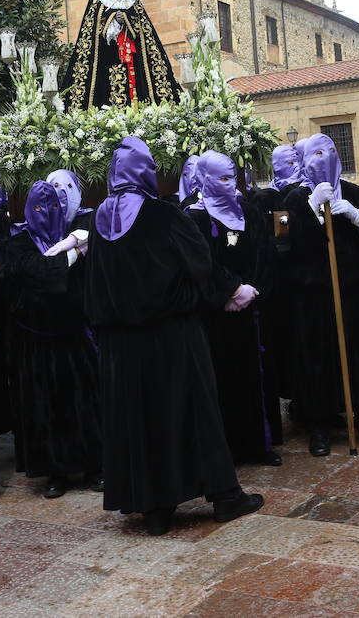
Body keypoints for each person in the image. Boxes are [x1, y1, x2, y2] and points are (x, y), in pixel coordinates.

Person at [84, 136, 263, 535]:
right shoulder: (164, 215)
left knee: (141, 419)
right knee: (194, 410)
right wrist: (233, 290)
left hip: (121, 347)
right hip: (171, 336)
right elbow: (200, 264)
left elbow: (92, 286)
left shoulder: (97, 221)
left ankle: (155, 508)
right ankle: (224, 497)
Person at [286, 133, 359, 455]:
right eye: (317, 153)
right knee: (319, 357)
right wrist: (312, 210)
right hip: (315, 295)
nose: (326, 157)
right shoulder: (294, 199)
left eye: (331, 151)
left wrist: (358, 217)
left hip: (356, 290)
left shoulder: (356, 194)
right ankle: (319, 423)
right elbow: (286, 244)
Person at [3, 179, 103, 498]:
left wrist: (74, 243)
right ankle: (55, 471)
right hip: (37, 343)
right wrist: (71, 255)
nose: (47, 213)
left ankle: (93, 465)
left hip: (73, 337)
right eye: (38, 207)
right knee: (46, 407)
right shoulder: (18, 243)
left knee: (84, 404)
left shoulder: (76, 233)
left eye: (54, 206)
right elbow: (39, 273)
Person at [185, 150, 281, 465]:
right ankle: (225, 447)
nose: (229, 185)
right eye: (221, 178)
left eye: (232, 178)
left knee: (256, 376)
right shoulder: (195, 217)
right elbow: (200, 263)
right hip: (217, 317)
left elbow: (265, 251)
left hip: (252, 312)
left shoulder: (248, 211)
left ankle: (259, 443)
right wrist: (229, 292)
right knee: (221, 379)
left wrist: (254, 290)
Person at [61, 0, 183, 109]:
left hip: (131, 46)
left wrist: (125, 18)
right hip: (107, 48)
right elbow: (93, 24)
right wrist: (110, 19)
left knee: (135, 74)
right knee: (106, 75)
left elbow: (141, 23)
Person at [250, 143, 304, 404]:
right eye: (287, 161)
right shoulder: (264, 198)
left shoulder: (302, 192)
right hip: (277, 280)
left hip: (301, 277)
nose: (292, 166)